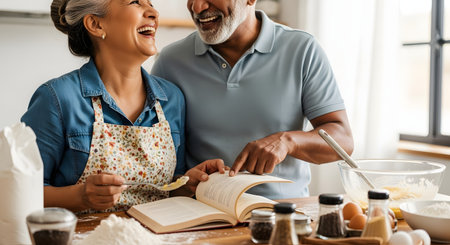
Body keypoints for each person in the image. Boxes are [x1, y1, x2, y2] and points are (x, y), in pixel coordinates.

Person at [21, 0, 225, 213]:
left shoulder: (172, 99)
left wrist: (185, 184)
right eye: (135, 2)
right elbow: (17, 191)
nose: (153, 12)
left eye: (151, 3)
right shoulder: (57, 98)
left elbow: (168, 189)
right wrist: (78, 196)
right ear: (96, 25)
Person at [151, 0, 354, 200]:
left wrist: (288, 142)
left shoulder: (302, 49)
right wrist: (183, 181)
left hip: (283, 213)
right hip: (203, 214)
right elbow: (155, 161)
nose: (197, 7)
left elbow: (343, 142)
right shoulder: (170, 62)